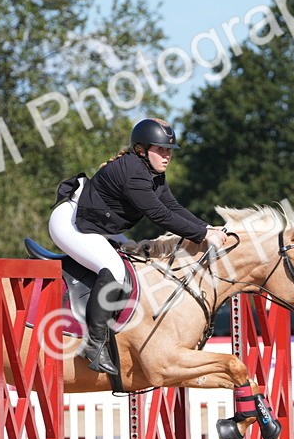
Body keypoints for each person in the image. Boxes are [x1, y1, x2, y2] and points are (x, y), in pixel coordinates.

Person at [48, 118, 228, 375]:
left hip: (97, 226)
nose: (167, 156)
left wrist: (206, 228)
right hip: (71, 224)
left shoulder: (153, 173)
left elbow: (173, 207)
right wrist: (201, 234)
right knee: (114, 269)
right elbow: (159, 215)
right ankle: (94, 344)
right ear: (142, 150)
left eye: (169, 150)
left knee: (135, 261)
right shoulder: (133, 173)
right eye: (160, 149)